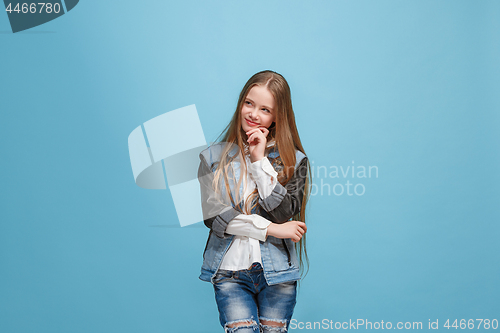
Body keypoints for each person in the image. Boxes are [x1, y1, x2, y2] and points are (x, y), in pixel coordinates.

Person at [197, 70, 311, 333]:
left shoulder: (295, 161)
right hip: (229, 274)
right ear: (240, 103)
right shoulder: (212, 158)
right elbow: (213, 217)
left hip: (278, 275)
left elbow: (283, 213)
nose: (253, 114)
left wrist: (260, 162)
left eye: (265, 109)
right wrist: (270, 229)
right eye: (249, 103)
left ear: (277, 117)